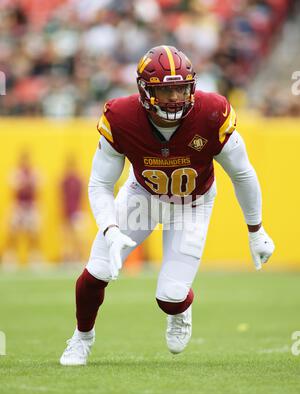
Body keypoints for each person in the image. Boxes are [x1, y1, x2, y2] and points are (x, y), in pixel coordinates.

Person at [60, 45, 275, 366]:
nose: (175, 96)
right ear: (145, 90)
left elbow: (242, 174)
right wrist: (110, 227)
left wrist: (255, 230)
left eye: (181, 87)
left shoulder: (212, 112)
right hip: (141, 198)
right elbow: (100, 184)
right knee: (97, 271)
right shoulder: (120, 117)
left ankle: (180, 311)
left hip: (192, 204)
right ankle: (81, 338)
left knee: (171, 298)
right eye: (165, 89)